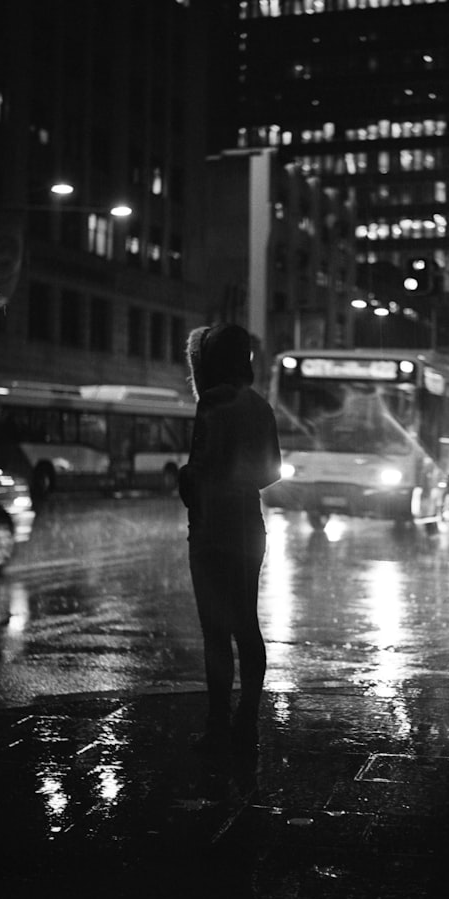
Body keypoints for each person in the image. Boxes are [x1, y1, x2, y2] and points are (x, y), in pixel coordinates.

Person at [179, 324, 281, 762]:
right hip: (247, 526)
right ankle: (248, 718)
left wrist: (191, 480)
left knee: (215, 632)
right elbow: (271, 471)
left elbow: (198, 473)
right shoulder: (260, 407)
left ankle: (217, 724)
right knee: (246, 625)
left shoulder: (211, 404)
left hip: (210, 530)